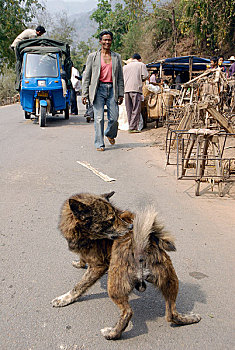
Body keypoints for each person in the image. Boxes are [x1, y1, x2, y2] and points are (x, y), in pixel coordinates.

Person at [82, 30, 124, 151]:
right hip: (98, 90)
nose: (107, 42)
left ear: (111, 41)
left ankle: (110, 134)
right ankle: (99, 143)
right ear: (100, 41)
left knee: (114, 118)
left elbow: (120, 77)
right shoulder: (93, 57)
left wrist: (121, 93)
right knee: (99, 118)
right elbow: (87, 76)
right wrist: (85, 93)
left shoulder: (116, 57)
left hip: (112, 90)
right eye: (104, 40)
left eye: (109, 40)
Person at [123, 53, 148, 133]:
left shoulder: (125, 67)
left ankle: (131, 125)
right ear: (139, 59)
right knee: (136, 108)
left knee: (129, 109)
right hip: (136, 89)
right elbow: (145, 76)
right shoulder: (141, 65)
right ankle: (133, 127)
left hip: (126, 90)